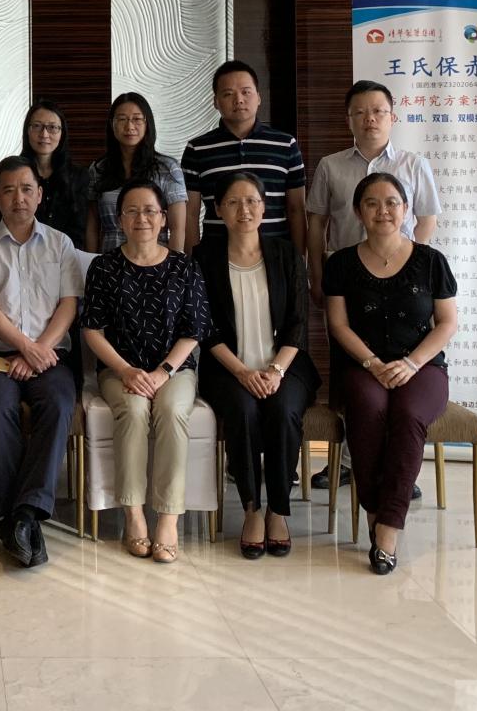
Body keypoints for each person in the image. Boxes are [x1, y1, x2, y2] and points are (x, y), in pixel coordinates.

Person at [306, 79, 442, 491]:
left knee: (404, 380)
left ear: (392, 117)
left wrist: (410, 264)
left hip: (402, 285)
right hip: (347, 285)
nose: (370, 119)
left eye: (378, 111)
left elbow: (427, 219)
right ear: (348, 119)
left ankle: (401, 468)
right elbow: (316, 223)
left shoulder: (414, 164)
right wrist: (316, 274)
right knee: (353, 375)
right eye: (360, 112)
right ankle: (348, 461)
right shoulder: (330, 166)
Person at [324, 173, 458, 575]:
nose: (382, 211)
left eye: (392, 203)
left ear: (406, 209)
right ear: (357, 212)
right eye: (372, 203)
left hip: (422, 366)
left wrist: (412, 363)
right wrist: (372, 363)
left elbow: (447, 323)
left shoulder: (431, 261)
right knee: (368, 409)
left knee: (408, 414)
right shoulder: (340, 263)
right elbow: (338, 325)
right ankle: (374, 508)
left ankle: (387, 527)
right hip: (362, 365)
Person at [81, 180, 210, 564]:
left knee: (170, 410)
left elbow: (194, 330)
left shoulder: (184, 266)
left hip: (175, 370)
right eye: (132, 211)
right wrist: (125, 370)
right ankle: (134, 515)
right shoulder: (104, 267)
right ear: (120, 219)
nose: (142, 218)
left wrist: (163, 372)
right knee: (134, 410)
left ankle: (168, 518)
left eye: (150, 210)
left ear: (164, 218)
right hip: (119, 370)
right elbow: (92, 330)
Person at [0, 156, 84, 567]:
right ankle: (24, 516)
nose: (19, 197)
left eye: (27, 189)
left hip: (50, 356)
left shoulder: (61, 243)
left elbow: (69, 304)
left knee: (59, 404)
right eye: (9, 190)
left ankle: (23, 515)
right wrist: (23, 347)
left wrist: (38, 350)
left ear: (40, 194)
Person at [195, 172, 320, 559]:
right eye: (233, 202)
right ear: (218, 210)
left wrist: (276, 371)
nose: (244, 210)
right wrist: (242, 372)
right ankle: (251, 508)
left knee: (283, 411)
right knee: (243, 410)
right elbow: (204, 327)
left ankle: (277, 509)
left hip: (285, 366)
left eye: (252, 201)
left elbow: (298, 323)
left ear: (265, 208)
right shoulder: (203, 258)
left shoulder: (285, 254)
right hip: (227, 368)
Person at [181, 61, 307, 251]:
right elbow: (190, 213)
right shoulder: (197, 149)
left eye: (246, 92)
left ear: (259, 97)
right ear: (215, 101)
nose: (239, 100)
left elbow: (296, 209)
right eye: (228, 94)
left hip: (276, 255)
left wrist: (298, 260)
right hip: (216, 256)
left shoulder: (286, 144)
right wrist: (193, 262)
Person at [86, 92, 189, 254]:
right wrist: (91, 261)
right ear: (112, 124)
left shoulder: (168, 168)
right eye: (122, 119)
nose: (130, 126)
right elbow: (92, 226)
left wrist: (174, 266)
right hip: (110, 260)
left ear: (148, 123)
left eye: (137, 119)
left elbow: (178, 229)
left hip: (154, 260)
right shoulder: (98, 169)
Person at [0, 98, 90, 246]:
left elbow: (80, 230)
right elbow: (0, 223)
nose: (44, 134)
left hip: (66, 255)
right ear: (27, 130)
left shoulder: (79, 176)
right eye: (37, 126)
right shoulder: (12, 173)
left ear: (62, 132)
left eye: (52, 127)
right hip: (16, 252)